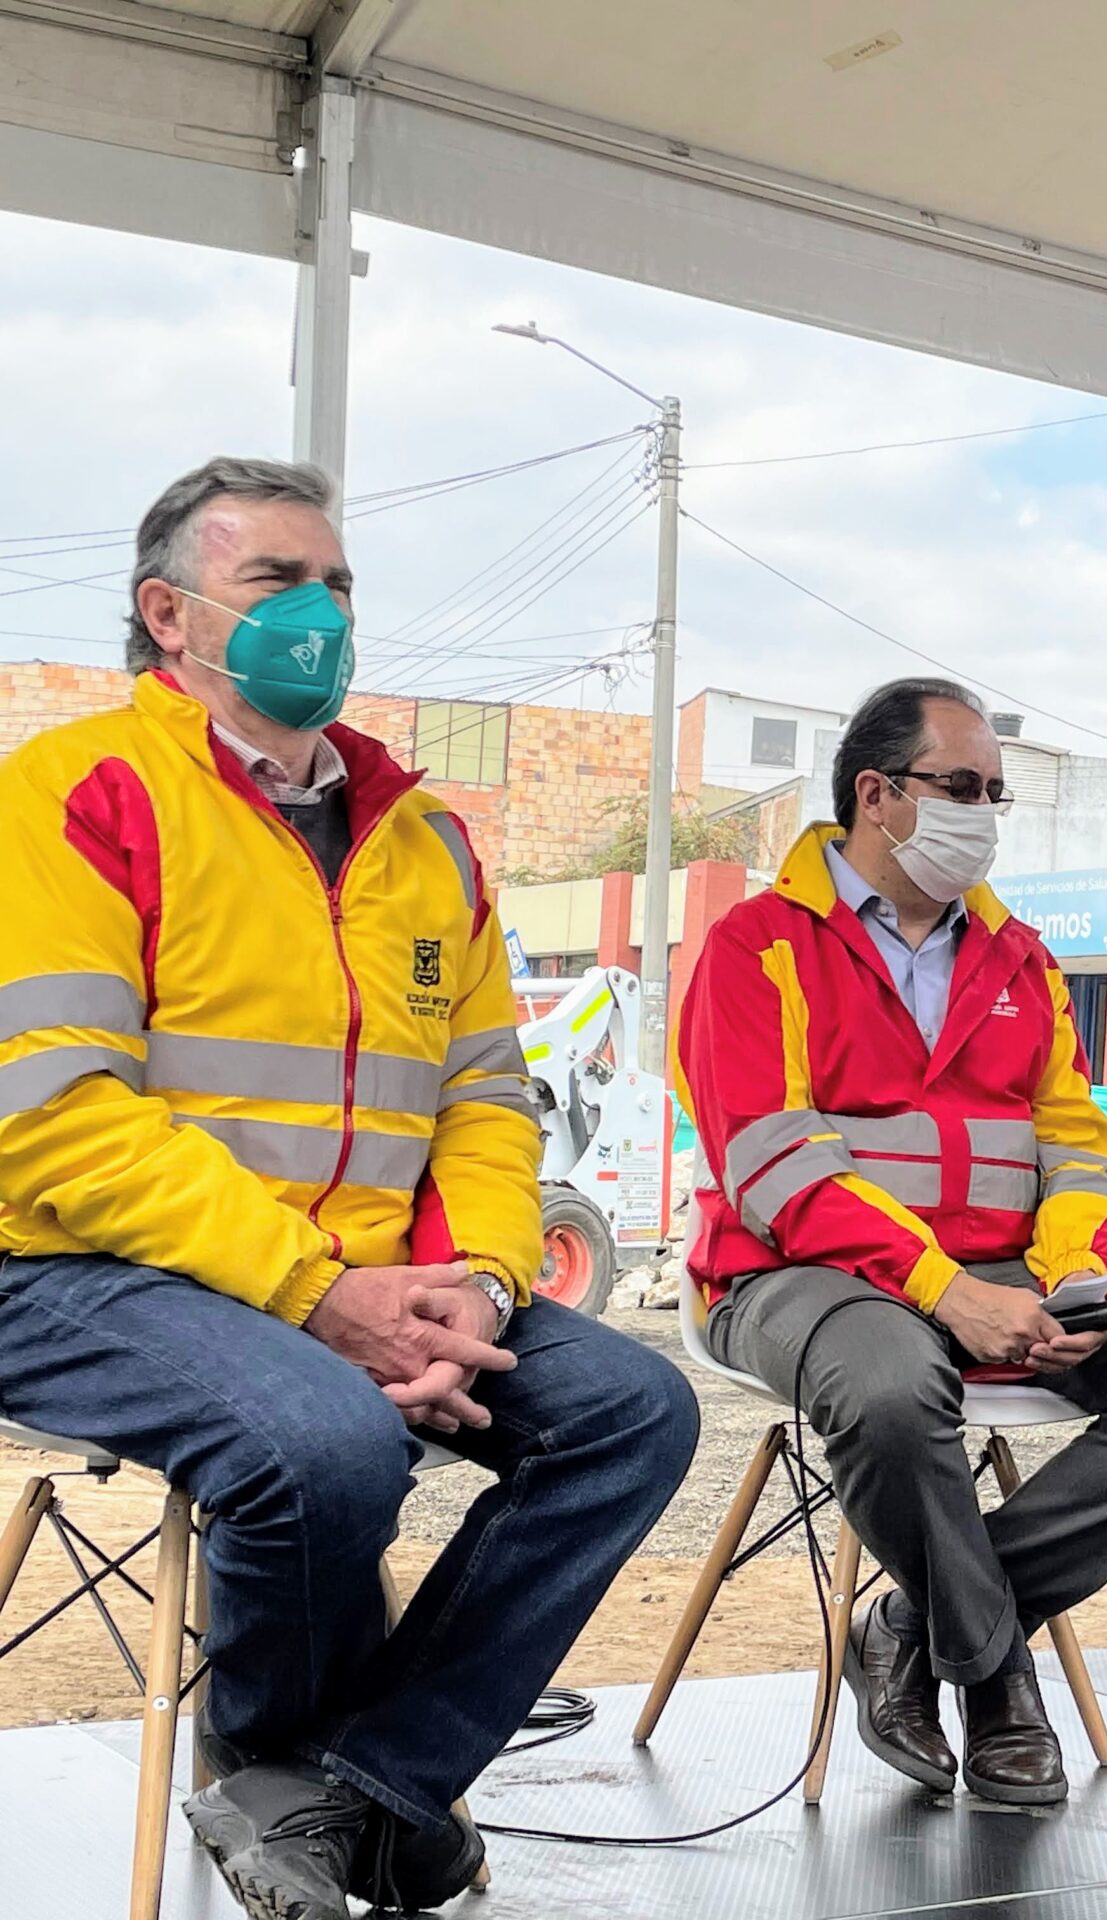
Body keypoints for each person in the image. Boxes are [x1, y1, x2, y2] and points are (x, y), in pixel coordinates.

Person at [0, 458, 699, 1920]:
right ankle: (311, 1783)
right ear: (168, 614)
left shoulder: (424, 839)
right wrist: (324, 1300)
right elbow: (55, 1120)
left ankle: (346, 1790)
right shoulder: (74, 796)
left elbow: (484, 1101)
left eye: (339, 587)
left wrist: (476, 1295)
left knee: (633, 1412)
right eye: (276, 582)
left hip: (366, 1282)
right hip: (75, 1274)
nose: (318, 613)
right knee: (322, 1443)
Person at [678, 676, 1107, 1810]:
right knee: (896, 1390)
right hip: (795, 1275)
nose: (986, 813)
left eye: (996, 791)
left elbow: (1080, 1145)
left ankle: (912, 1622)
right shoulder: (759, 945)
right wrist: (947, 1294)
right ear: (878, 795)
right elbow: (773, 1165)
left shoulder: (1022, 959)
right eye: (963, 787)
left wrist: (1075, 1278)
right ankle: (995, 1672)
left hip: (1005, 1274)